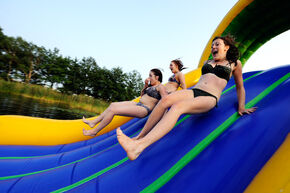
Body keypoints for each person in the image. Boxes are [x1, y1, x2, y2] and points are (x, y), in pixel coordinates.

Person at [116, 35, 257, 160]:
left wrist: (241, 107)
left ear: (226, 47)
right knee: (165, 100)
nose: (213, 47)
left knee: (178, 107)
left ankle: (138, 147)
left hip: (209, 97)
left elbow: (240, 86)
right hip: (194, 91)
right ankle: (138, 137)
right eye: (212, 45)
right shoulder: (207, 63)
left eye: (217, 44)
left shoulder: (234, 63)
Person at [83, 69, 168, 137]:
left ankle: (94, 131)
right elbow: (142, 96)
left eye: (150, 76)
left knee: (113, 111)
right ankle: (93, 122)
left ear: (157, 77)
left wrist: (164, 116)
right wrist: (145, 85)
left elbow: (165, 100)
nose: (149, 78)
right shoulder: (151, 86)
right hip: (138, 104)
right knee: (112, 105)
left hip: (144, 109)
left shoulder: (161, 87)